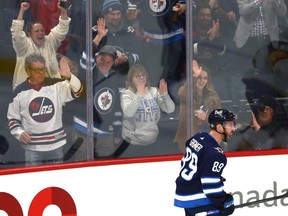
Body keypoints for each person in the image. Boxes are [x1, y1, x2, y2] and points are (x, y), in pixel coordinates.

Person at [7, 53, 83, 166]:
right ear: (28, 71)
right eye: (37, 70)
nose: (41, 73)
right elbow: (12, 119)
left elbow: (78, 91)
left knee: (55, 178)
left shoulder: (56, 85)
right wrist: (20, 133)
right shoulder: (19, 91)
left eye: (43, 69)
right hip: (33, 147)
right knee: (34, 179)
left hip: (56, 145)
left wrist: (69, 77)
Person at [174, 109, 237, 216]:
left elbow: (196, 159)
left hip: (183, 192)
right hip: (197, 198)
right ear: (219, 127)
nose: (233, 129)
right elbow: (211, 187)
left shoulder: (198, 137)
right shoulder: (216, 154)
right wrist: (224, 201)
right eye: (230, 125)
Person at [74, 45, 126, 159]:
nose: (105, 63)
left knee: (107, 168)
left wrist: (117, 131)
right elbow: (86, 59)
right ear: (96, 58)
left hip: (105, 133)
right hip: (84, 131)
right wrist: (98, 37)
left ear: (113, 63)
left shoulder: (114, 79)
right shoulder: (88, 74)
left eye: (109, 61)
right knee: (82, 168)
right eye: (102, 59)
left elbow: (116, 108)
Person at [113, 64, 175, 158]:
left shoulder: (153, 91)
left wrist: (165, 94)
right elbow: (128, 113)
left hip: (153, 141)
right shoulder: (127, 94)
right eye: (138, 76)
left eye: (143, 75)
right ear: (131, 79)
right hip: (131, 144)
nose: (141, 78)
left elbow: (170, 109)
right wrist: (140, 95)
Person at [10, 1, 71, 90]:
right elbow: (17, 33)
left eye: (42, 31)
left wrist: (63, 11)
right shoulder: (24, 46)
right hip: (27, 91)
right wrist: (22, 11)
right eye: (37, 31)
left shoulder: (49, 41)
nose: (40, 33)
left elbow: (62, 28)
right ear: (29, 34)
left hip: (50, 91)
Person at [174, 60, 221, 153]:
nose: (202, 81)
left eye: (205, 78)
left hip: (209, 140)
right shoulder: (186, 93)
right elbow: (182, 92)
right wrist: (194, 75)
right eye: (199, 77)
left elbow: (218, 119)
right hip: (188, 141)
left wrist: (206, 117)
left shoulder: (213, 96)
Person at [82, 0, 140, 75]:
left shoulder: (129, 31)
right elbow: (84, 64)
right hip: (98, 78)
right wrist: (99, 36)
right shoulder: (94, 31)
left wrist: (126, 58)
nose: (116, 17)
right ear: (105, 15)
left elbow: (137, 55)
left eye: (118, 14)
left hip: (120, 76)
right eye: (112, 14)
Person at [234, 0, 287, 72]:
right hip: (249, 39)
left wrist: (276, 1)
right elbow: (243, 11)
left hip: (269, 38)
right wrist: (258, 1)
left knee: (268, 70)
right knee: (248, 70)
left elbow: (283, 13)